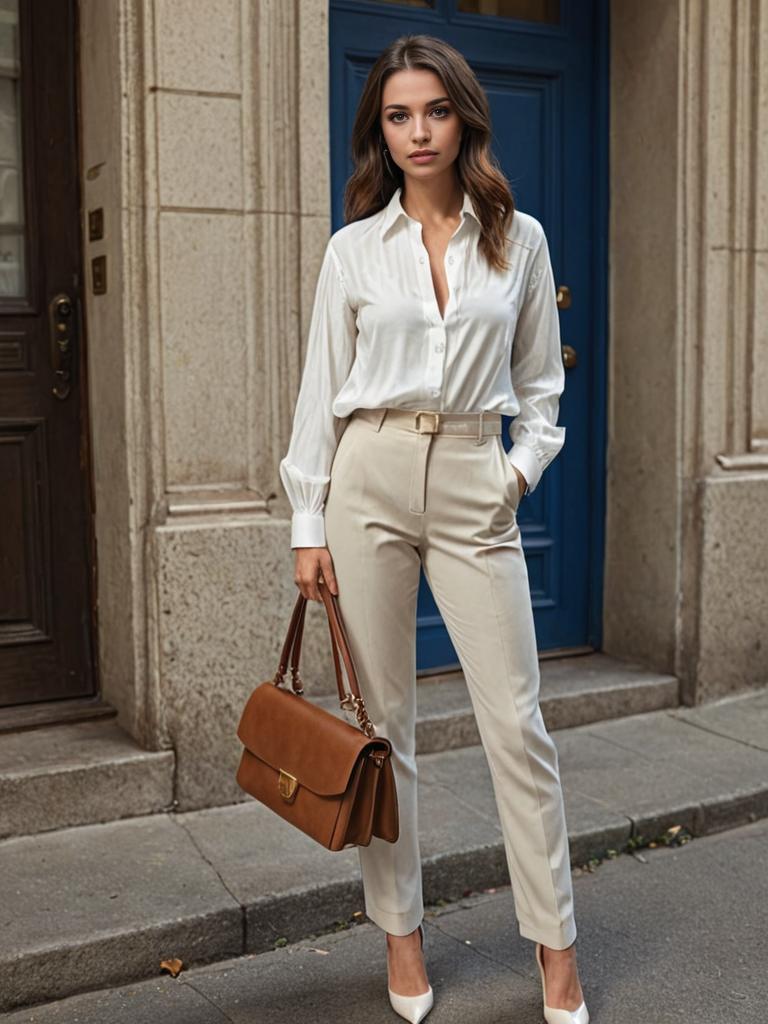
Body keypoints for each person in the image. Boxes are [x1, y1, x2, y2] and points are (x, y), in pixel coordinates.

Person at [278, 33, 589, 1024]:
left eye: (436, 111)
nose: (418, 131)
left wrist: (511, 476)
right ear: (380, 126)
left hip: (470, 475)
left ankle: (557, 953)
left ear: (466, 118)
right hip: (367, 475)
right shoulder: (353, 249)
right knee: (386, 731)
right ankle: (401, 936)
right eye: (398, 114)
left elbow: (542, 387)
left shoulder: (520, 239)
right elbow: (321, 392)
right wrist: (307, 519)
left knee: (519, 728)